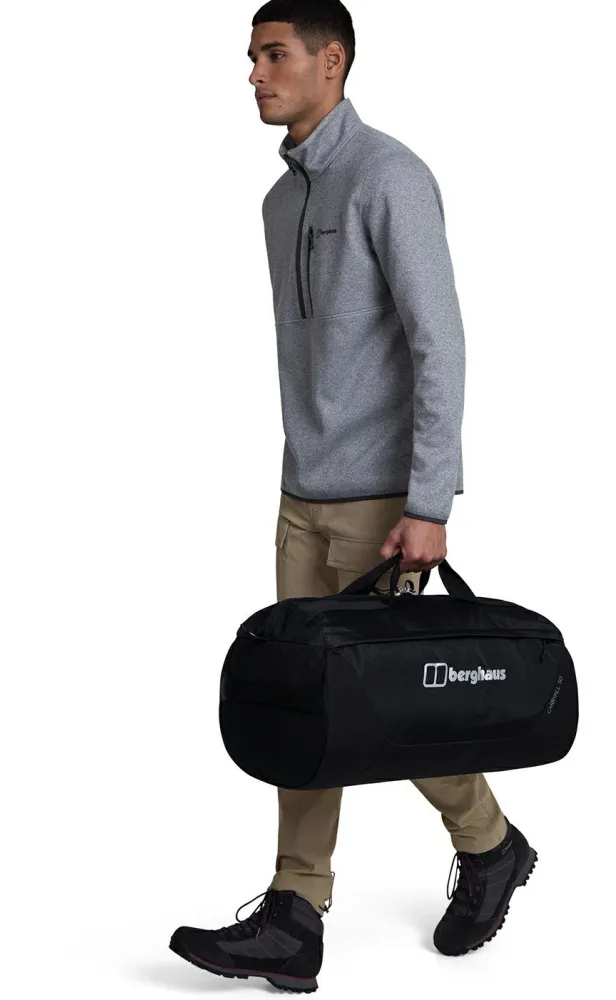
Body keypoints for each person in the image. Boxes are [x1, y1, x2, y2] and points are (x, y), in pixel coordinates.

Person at [170, 1, 536, 991]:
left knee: (383, 709)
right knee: (301, 701)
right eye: (251, 57)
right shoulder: (277, 203)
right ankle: (296, 911)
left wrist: (429, 499)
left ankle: (490, 840)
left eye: (274, 54)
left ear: (331, 61)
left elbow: (439, 340)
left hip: (384, 507)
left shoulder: (390, 177)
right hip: (302, 493)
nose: (255, 74)